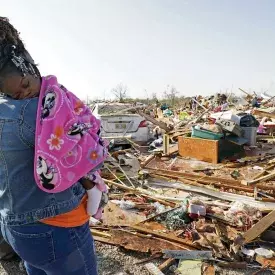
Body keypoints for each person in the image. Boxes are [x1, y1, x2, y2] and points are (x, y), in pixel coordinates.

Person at [0, 17, 99, 274]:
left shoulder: (5, 111)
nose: (23, 94)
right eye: (15, 92)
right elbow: (83, 150)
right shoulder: (43, 110)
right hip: (57, 227)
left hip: (15, 228)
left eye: (24, 87)